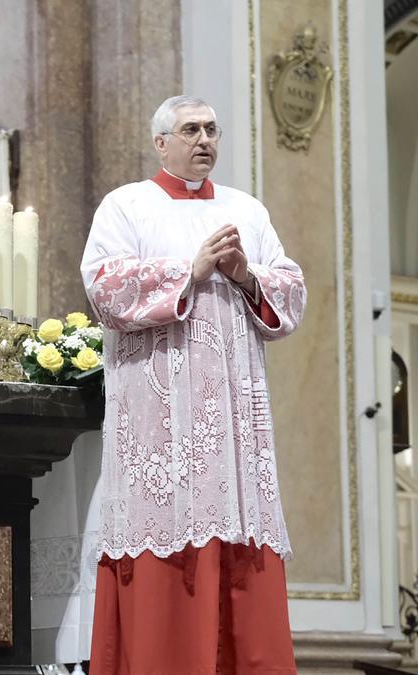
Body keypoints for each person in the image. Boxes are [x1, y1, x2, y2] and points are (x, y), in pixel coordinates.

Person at [80, 95, 306, 674]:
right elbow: (104, 287)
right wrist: (191, 269)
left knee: (238, 543)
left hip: (233, 424)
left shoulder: (247, 210)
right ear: (162, 143)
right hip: (159, 419)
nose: (204, 139)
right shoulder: (126, 205)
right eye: (190, 130)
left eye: (211, 129)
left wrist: (244, 274)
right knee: (164, 542)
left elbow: (291, 291)